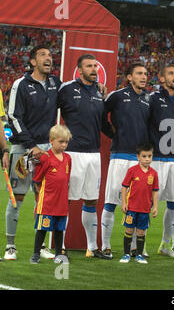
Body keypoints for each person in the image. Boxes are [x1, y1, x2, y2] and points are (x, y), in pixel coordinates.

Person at [5, 45, 61, 260]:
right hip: (25, 152)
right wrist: (31, 146)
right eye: (43, 55)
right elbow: (14, 118)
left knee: (45, 199)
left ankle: (42, 246)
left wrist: (100, 86)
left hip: (47, 152)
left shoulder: (56, 84)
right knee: (17, 198)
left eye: (50, 55)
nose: (49, 58)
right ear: (33, 62)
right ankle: (11, 246)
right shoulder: (21, 84)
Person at [58, 53, 109, 259]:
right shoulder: (67, 89)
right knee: (67, 201)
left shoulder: (99, 92)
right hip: (72, 153)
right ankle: (60, 246)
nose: (94, 69)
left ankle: (92, 248)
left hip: (93, 154)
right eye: (89, 66)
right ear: (80, 70)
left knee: (91, 200)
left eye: (95, 66)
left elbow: (103, 123)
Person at [101, 62, 151, 259]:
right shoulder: (118, 95)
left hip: (141, 160)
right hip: (120, 156)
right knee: (111, 202)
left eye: (145, 74)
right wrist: (111, 131)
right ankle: (105, 245)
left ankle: (133, 248)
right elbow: (100, 113)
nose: (144, 77)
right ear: (129, 77)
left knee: (139, 206)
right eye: (139, 73)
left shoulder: (148, 99)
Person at [150, 64, 174, 258]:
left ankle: (165, 245)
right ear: (161, 78)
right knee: (145, 204)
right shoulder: (153, 99)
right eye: (171, 73)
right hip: (156, 160)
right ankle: (140, 245)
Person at [30, 125, 72, 264]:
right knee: (42, 228)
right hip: (47, 201)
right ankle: (36, 254)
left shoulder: (68, 158)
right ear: (51, 140)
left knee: (59, 230)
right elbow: (37, 180)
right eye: (61, 142)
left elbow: (66, 179)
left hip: (61, 202)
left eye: (66, 142)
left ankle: (59, 254)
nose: (64, 145)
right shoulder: (45, 158)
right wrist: (42, 195)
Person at [119, 143, 158, 264]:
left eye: (149, 156)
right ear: (138, 157)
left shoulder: (154, 173)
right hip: (131, 208)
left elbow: (155, 191)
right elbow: (124, 187)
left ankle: (139, 255)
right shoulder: (132, 171)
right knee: (129, 230)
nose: (147, 159)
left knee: (141, 232)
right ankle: (126, 254)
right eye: (144, 156)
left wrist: (155, 206)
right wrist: (124, 203)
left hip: (145, 209)